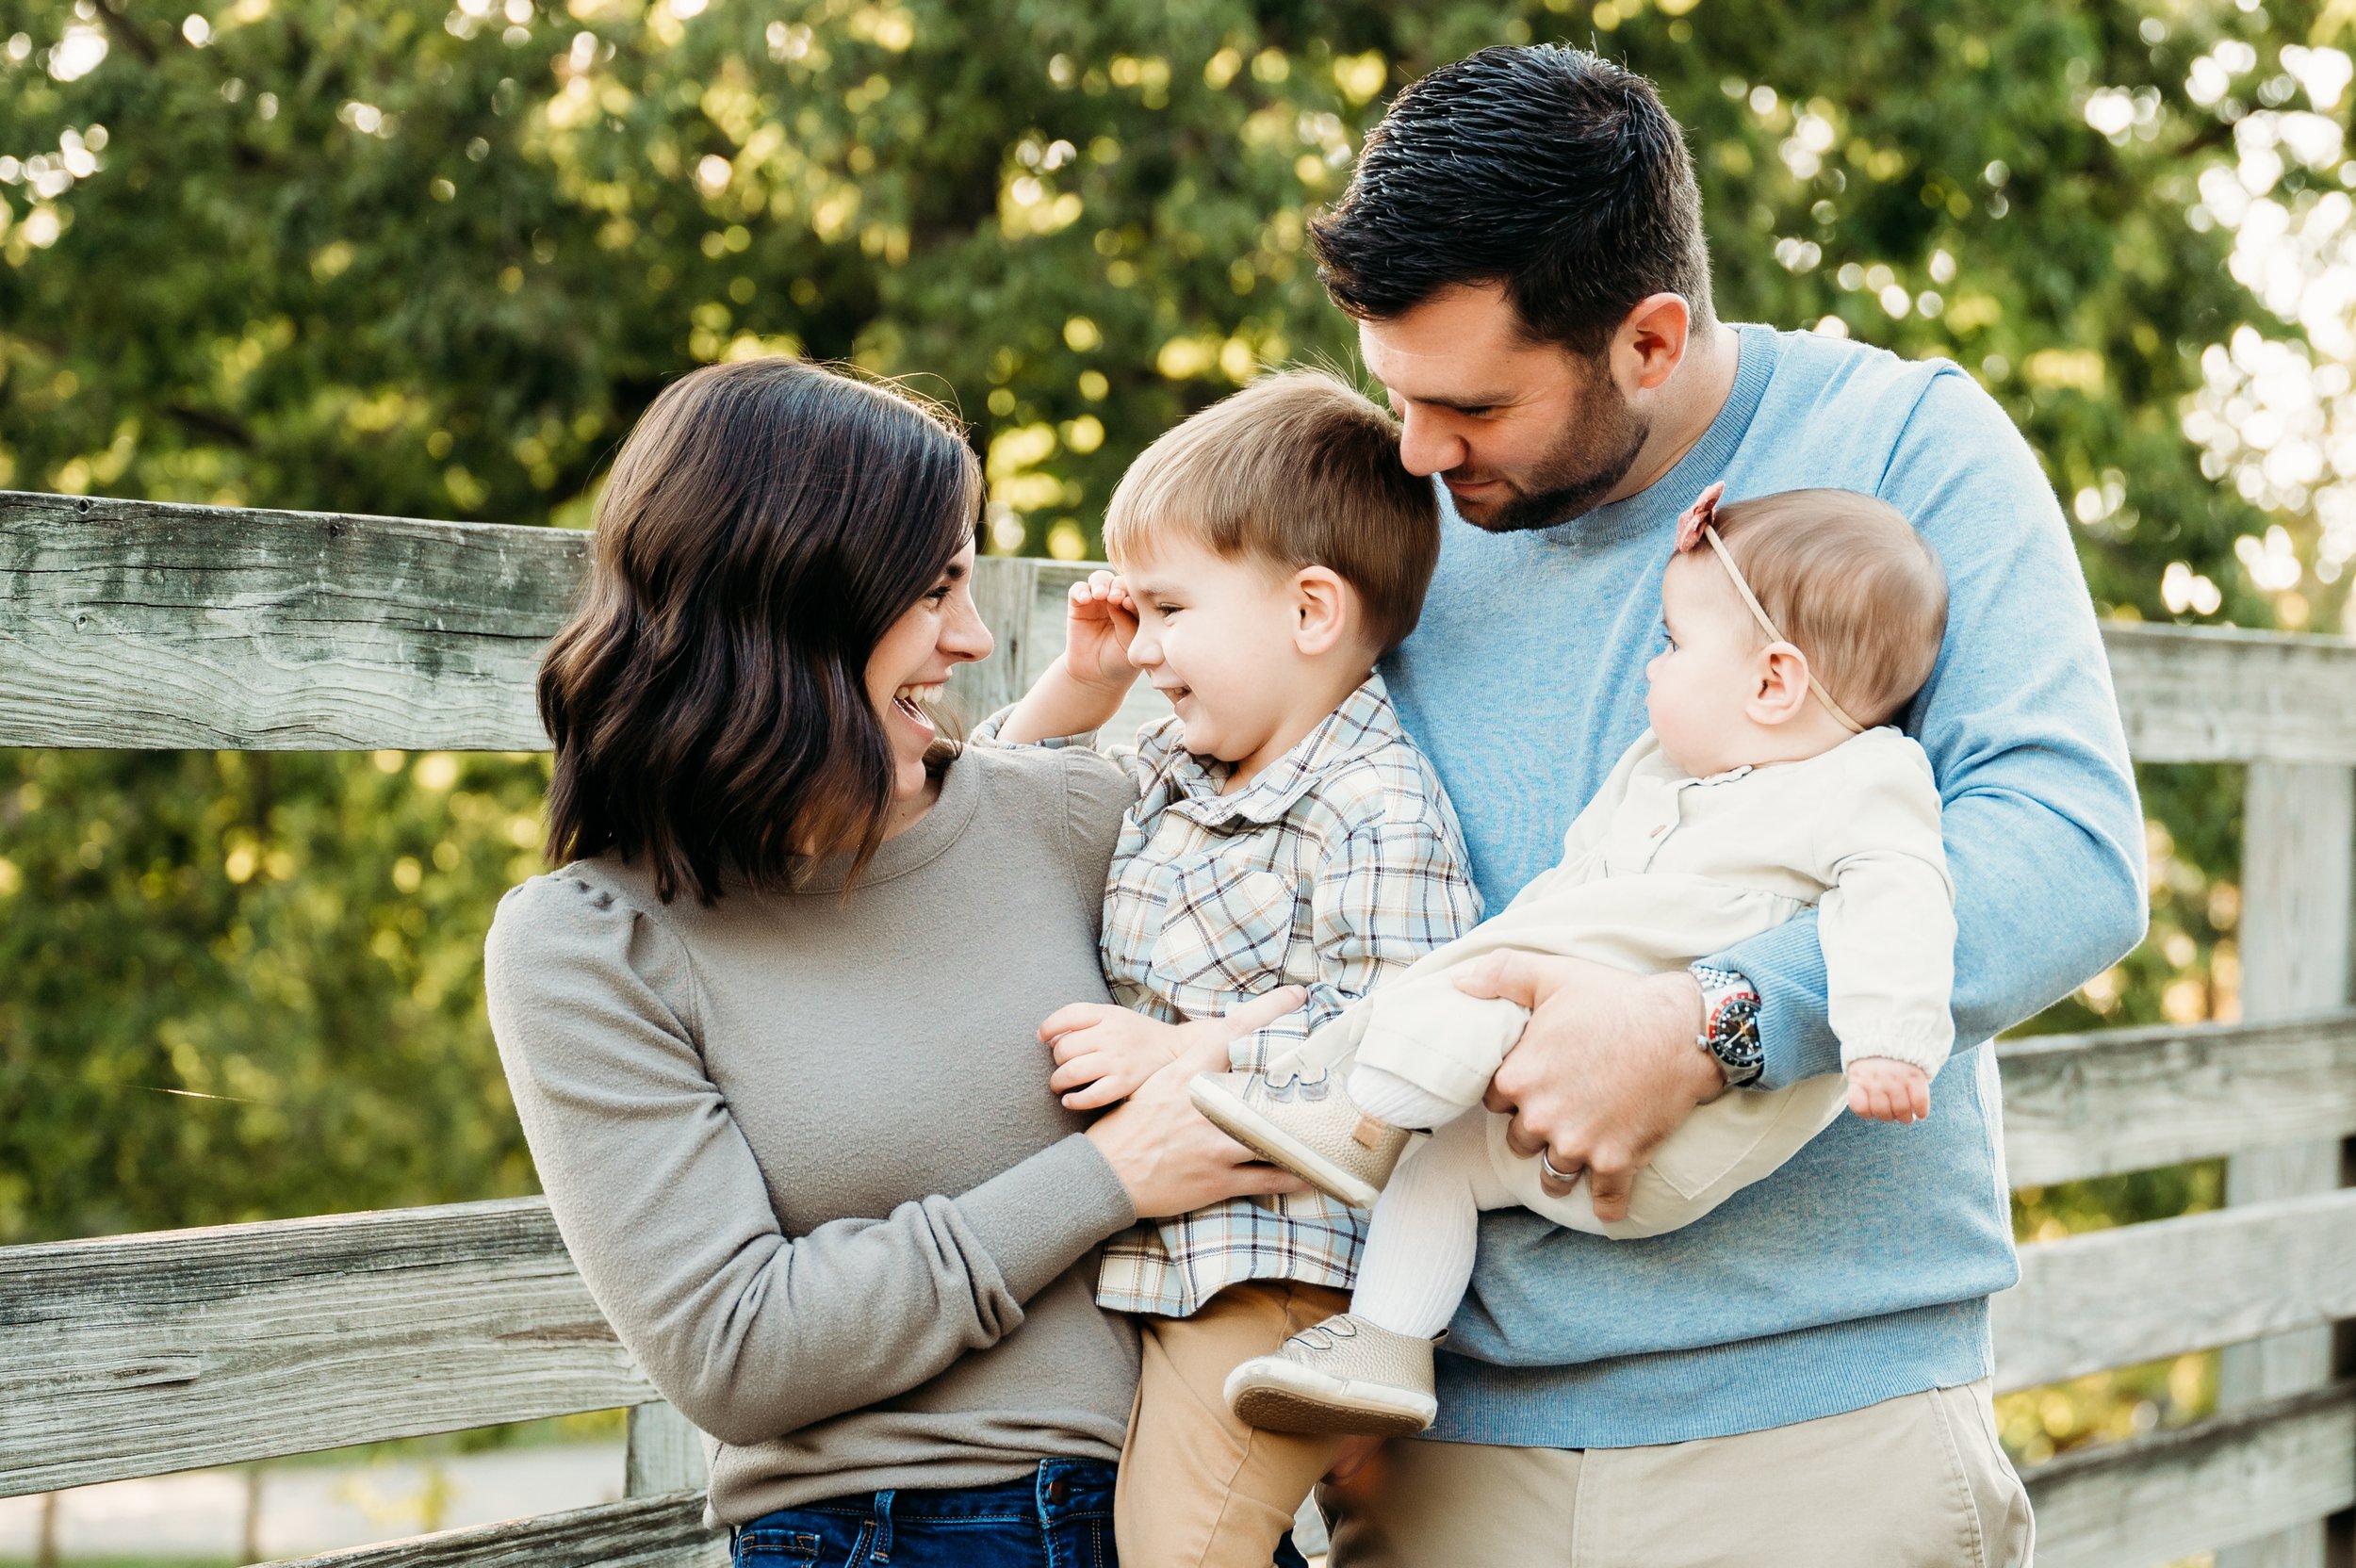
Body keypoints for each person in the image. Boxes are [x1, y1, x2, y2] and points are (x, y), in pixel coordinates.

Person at [1296, 45, 2147, 1566]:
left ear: (1649, 335)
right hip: (1436, 1440)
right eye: (1399, 396)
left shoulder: (1900, 444)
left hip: (1813, 1439)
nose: (1420, 451)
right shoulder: (1391, 499)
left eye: (1472, 405)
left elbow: (2065, 851)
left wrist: (1715, 1021)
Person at [483, 357, 1304, 1567]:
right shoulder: (592, 945)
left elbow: (1339, 884)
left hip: (1181, 1513)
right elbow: (736, 1347)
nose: (974, 638)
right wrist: (1109, 1176)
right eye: (934, 591)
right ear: (791, 607)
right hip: (885, 1533)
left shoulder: (1066, 817)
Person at [1204, 482, 1955, 1439]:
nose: (1651, 666)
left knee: (1485, 982)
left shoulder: (1860, 781)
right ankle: (1385, 1342)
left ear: (1773, 683)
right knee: (1436, 1166)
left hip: (1674, 1120)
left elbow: (1902, 896)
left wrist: (1890, 1037)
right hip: (1562, 1126)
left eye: (1674, 644)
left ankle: (1354, 1113)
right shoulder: (1676, 774)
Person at [982, 369, 1481, 1568]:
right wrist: (1082, 684)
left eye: (1169, 611)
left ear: (1310, 611)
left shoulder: (1374, 801)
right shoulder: (1183, 769)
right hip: (1161, 1259)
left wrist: (1194, 1051)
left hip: (1275, 1274)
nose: (1148, 648)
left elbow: (1409, 1031)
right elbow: (1000, 804)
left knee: (1179, 1550)